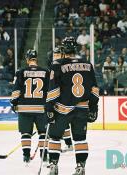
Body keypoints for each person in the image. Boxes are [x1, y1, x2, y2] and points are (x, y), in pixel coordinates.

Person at [46, 37, 99, 175]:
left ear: (63, 49)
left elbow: (53, 90)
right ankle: (81, 167)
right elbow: (94, 89)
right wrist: (93, 107)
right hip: (82, 109)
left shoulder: (57, 64)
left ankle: (53, 166)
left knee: (55, 137)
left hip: (62, 109)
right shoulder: (87, 64)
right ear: (75, 48)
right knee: (80, 139)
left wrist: (49, 108)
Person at [10, 49, 49, 163]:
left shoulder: (21, 72)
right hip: (41, 108)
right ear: (36, 59)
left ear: (27, 59)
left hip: (24, 108)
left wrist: (14, 102)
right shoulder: (45, 72)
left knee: (26, 133)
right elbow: (49, 90)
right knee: (43, 133)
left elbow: (16, 90)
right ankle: (44, 155)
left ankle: (26, 156)